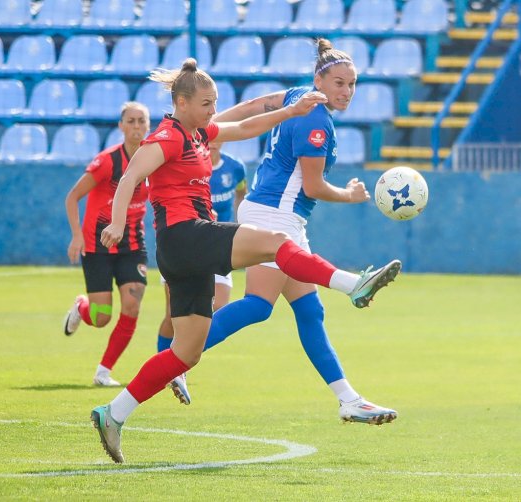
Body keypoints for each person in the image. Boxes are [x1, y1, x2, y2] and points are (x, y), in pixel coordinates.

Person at [91, 58, 399, 464]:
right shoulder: (168, 136)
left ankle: (113, 414)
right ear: (181, 102)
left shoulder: (196, 132)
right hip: (186, 235)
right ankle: (351, 283)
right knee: (276, 243)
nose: (212, 110)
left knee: (187, 352)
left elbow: (243, 127)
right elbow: (130, 176)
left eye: (215, 102)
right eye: (206, 103)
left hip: (184, 249)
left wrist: (289, 111)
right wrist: (114, 224)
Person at [168, 38, 400, 426]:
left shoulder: (298, 96)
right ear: (319, 80)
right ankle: (174, 360)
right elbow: (312, 187)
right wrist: (352, 194)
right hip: (276, 216)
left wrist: (210, 126)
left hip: (273, 212)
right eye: (339, 83)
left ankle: (348, 399)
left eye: (352, 84)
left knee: (310, 311)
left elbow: (254, 108)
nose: (347, 91)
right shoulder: (317, 122)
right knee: (258, 305)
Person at [62, 102, 151, 387]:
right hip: (98, 245)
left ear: (148, 126)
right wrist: (77, 235)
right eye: (131, 121)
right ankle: (81, 307)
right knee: (101, 318)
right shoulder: (107, 162)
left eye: (142, 121)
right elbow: (73, 197)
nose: (137, 127)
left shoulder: (156, 159)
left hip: (133, 245)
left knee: (132, 305)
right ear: (121, 126)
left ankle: (103, 372)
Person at [156, 141, 248, 403]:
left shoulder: (235, 167)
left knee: (218, 305)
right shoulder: (190, 163)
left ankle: (176, 364)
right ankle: (167, 366)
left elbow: (242, 191)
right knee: (173, 315)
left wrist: (239, 220)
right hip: (185, 243)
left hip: (218, 243)